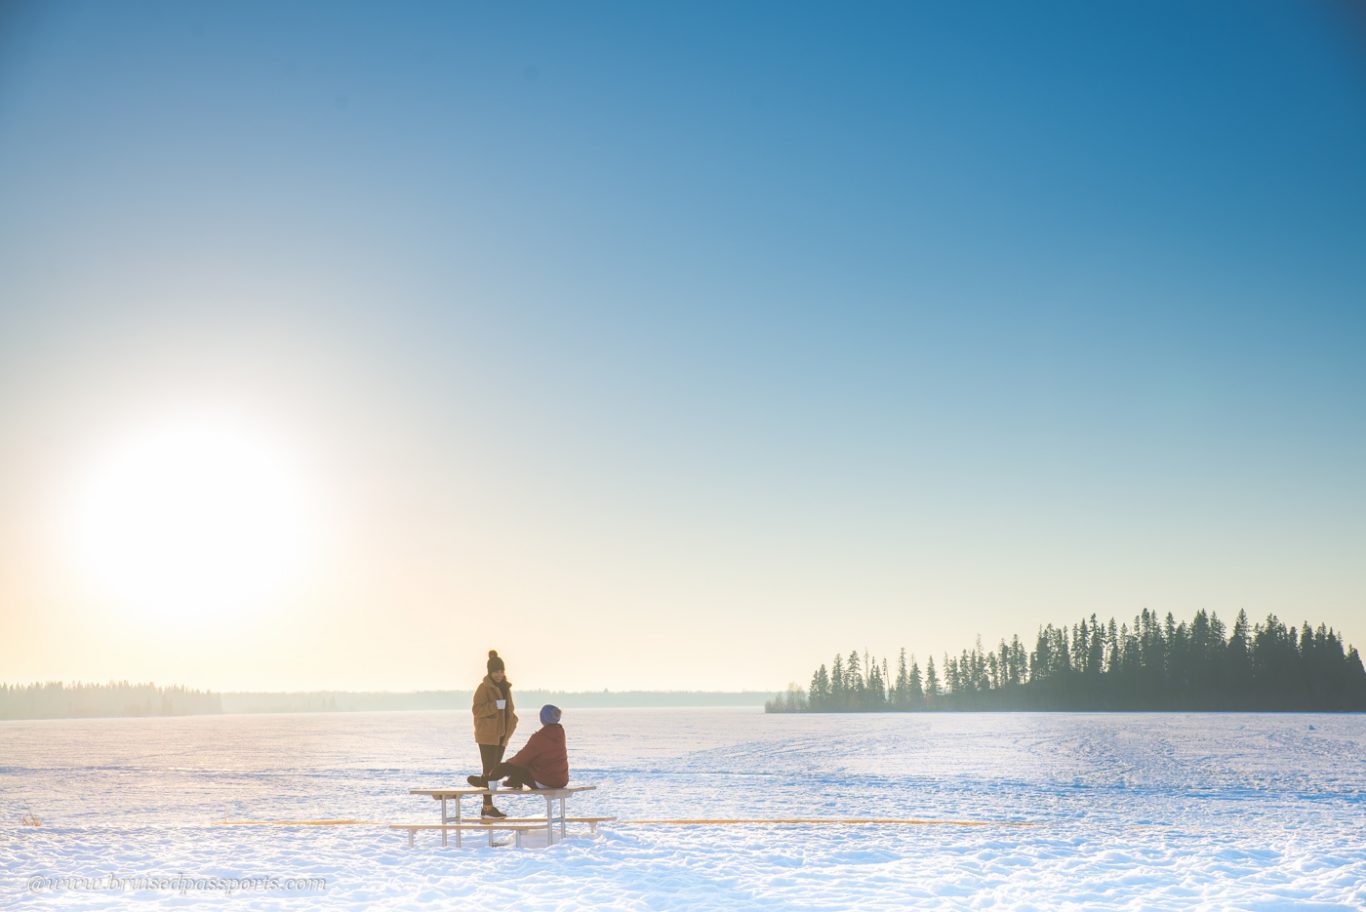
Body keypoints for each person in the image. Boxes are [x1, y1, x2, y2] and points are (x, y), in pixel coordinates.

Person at [468, 704, 569, 791]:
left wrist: (508, 764)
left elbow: (522, 758)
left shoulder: (540, 737)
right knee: (525, 766)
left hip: (545, 782)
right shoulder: (559, 733)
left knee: (506, 767)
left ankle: (486, 781)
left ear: (543, 718)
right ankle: (514, 781)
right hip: (560, 780)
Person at [470, 649, 517, 818]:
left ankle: (484, 790)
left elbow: (510, 710)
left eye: (501, 671)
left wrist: (513, 722)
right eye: (496, 672)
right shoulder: (483, 688)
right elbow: (476, 710)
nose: (499, 675)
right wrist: (495, 706)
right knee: (490, 771)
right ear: (490, 672)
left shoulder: (506, 688)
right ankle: (488, 808)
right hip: (487, 736)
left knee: (493, 772)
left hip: (502, 736)